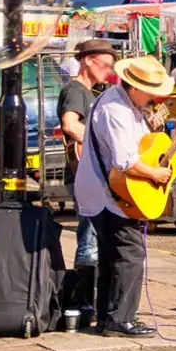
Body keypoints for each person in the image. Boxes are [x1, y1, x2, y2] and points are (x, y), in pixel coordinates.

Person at [72, 56, 176, 337]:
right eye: (151, 90)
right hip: (109, 192)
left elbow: (141, 147)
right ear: (135, 87)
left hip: (106, 190)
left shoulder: (125, 104)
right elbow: (125, 161)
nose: (155, 96)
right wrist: (155, 175)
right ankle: (120, 319)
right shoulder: (116, 110)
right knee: (130, 253)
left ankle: (108, 316)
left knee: (112, 255)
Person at [59, 38, 119, 276]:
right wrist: (102, 141)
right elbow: (70, 124)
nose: (109, 71)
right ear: (87, 61)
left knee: (94, 234)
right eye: (105, 64)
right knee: (90, 236)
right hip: (84, 174)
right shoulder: (75, 91)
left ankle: (88, 297)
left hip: (88, 173)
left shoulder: (89, 93)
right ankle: (84, 299)